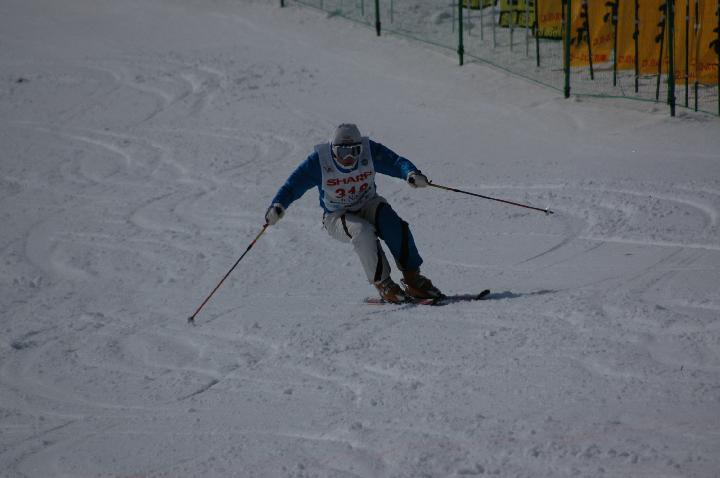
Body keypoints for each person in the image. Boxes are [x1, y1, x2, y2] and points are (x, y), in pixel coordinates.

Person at [264, 123, 442, 303]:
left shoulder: (369, 151)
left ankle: (413, 278)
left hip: (368, 203)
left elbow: (395, 162)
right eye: (342, 152)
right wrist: (278, 206)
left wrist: (410, 173)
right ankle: (384, 284)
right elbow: (292, 186)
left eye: (355, 151)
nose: (349, 158)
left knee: (393, 224)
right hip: (336, 214)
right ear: (333, 150)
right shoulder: (319, 161)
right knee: (362, 232)